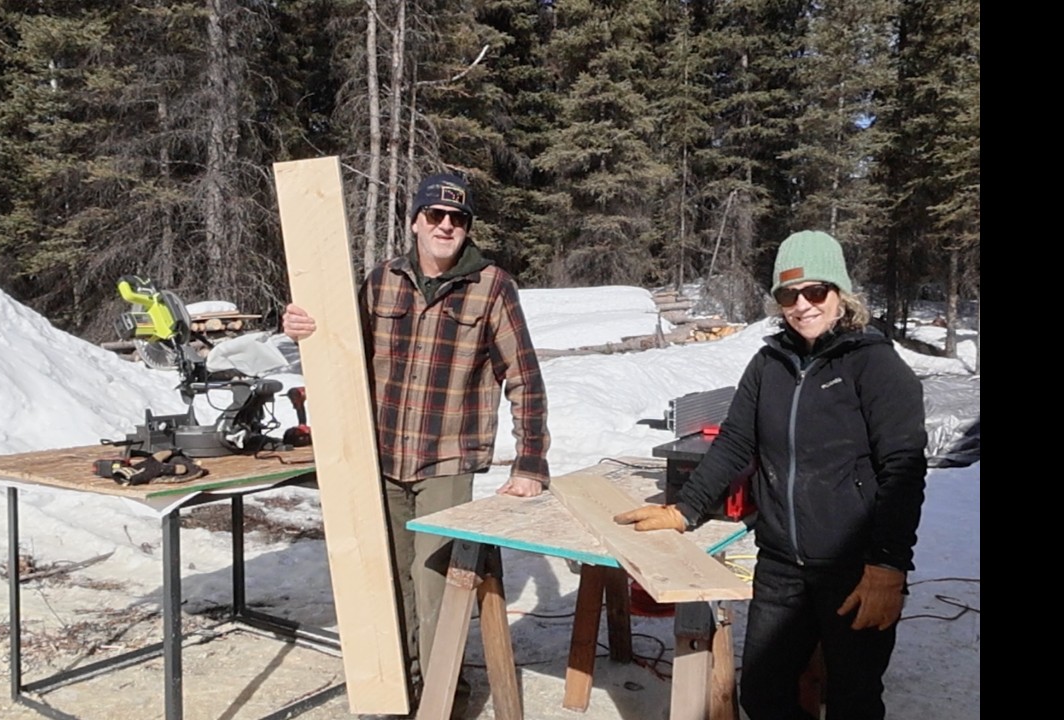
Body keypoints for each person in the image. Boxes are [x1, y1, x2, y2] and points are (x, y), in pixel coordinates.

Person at [614, 230, 926, 720]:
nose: (802, 305)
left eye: (815, 291)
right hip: (781, 566)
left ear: (840, 294)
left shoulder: (875, 364)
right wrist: (686, 508)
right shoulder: (768, 363)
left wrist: (888, 567)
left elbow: (903, 468)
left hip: (853, 568)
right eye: (788, 295)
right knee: (762, 694)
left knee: (854, 700)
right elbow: (735, 441)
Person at [282, 172, 550, 712]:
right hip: (379, 459)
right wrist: (302, 327)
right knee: (386, 582)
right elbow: (341, 350)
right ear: (415, 223)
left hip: (446, 460)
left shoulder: (492, 286)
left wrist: (529, 463)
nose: (445, 226)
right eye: (435, 215)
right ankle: (397, 689)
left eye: (457, 218)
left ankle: (442, 699)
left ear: (467, 228)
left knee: (435, 588)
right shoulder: (382, 280)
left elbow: (524, 377)